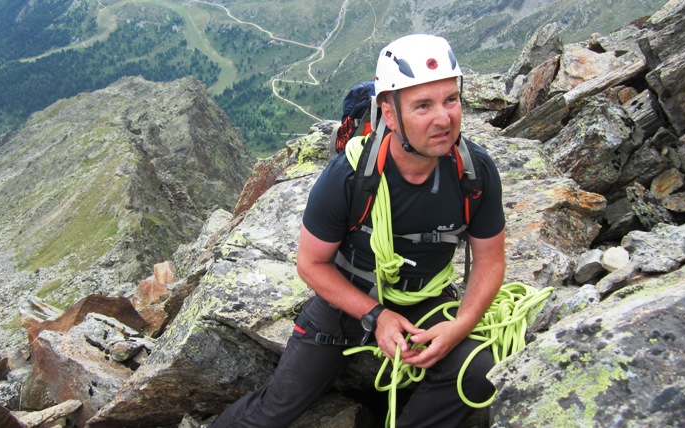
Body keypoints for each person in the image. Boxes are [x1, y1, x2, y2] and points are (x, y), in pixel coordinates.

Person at [212, 34, 506, 428]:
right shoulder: (351, 175)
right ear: (388, 112)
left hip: (425, 300)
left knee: (478, 369)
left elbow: (490, 259)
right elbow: (311, 263)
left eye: (451, 100)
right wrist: (377, 316)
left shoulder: (475, 171)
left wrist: (460, 326)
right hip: (344, 306)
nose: (443, 118)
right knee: (273, 412)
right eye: (423, 105)